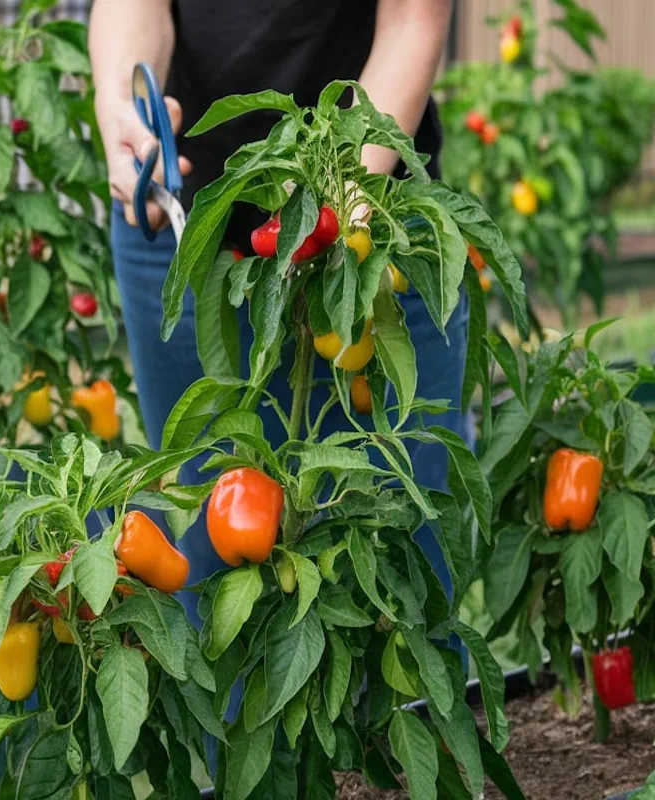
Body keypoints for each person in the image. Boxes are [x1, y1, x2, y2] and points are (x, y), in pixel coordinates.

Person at [89, 0, 464, 630]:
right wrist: (121, 109)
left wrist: (330, 208)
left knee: (402, 553)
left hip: (369, 216)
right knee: (207, 562)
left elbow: (413, 17)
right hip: (179, 215)